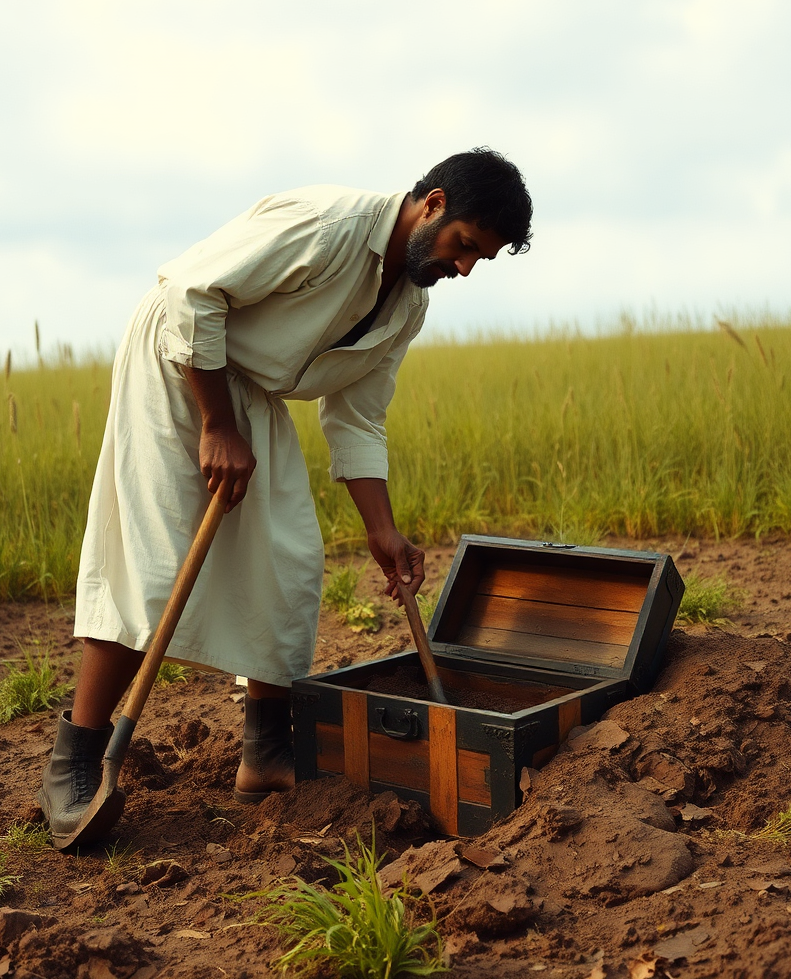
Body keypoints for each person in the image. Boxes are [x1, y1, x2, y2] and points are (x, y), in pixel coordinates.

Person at [38, 147, 533, 837]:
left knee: (289, 561)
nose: (465, 268)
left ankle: (266, 752)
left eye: (480, 259)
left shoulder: (407, 306)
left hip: (253, 390)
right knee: (155, 566)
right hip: (180, 361)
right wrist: (216, 424)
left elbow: (356, 415)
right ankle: (75, 764)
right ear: (435, 203)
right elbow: (191, 293)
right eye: (465, 246)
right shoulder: (325, 223)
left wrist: (382, 529)